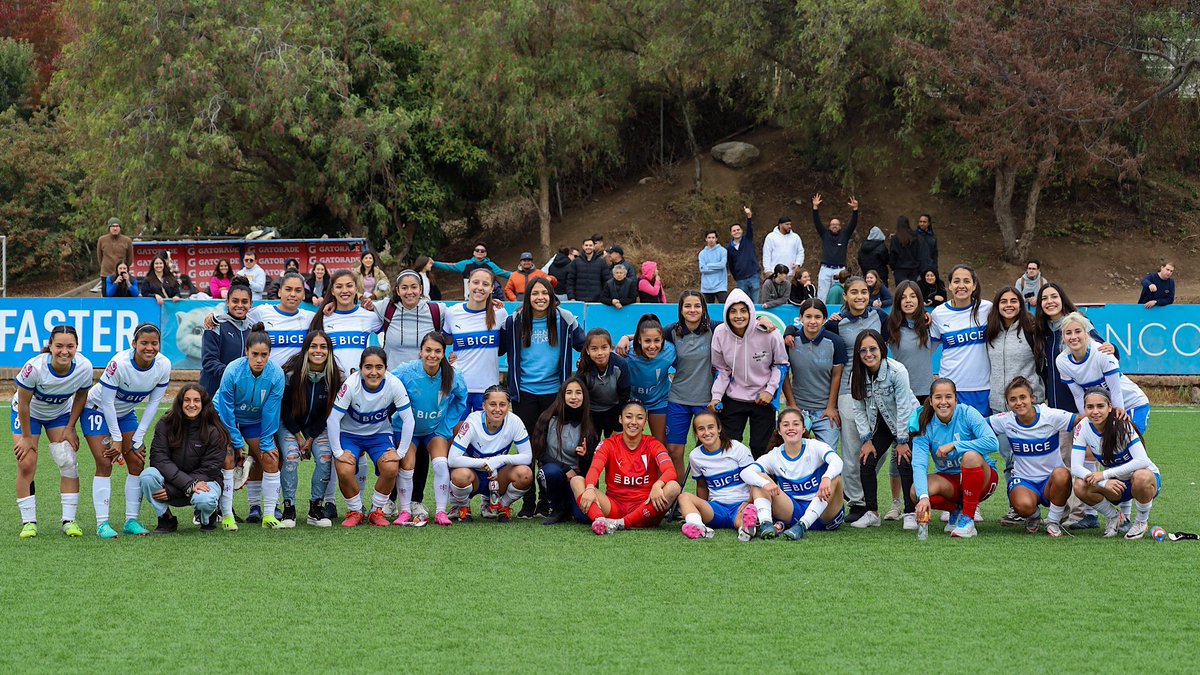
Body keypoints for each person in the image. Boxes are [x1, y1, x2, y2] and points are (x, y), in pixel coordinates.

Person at [500, 277, 586, 517]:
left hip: (554, 394)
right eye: (534, 293)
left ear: (551, 296)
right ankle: (527, 502)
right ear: (527, 297)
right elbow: (495, 348)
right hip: (524, 393)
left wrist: (625, 340)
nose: (540, 298)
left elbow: (586, 344)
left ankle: (546, 501)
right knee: (527, 447)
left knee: (550, 447)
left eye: (544, 293)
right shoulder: (515, 320)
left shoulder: (565, 319)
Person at [806, 276, 888, 524]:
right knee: (853, 449)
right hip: (848, 392)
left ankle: (867, 487)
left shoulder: (880, 317)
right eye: (854, 292)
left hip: (880, 390)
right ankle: (858, 501)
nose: (859, 297)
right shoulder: (835, 324)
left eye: (864, 292)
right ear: (845, 295)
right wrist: (788, 331)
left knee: (880, 447)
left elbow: (904, 326)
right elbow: (808, 332)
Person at [82, 323, 172, 539]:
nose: (149, 348)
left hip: (125, 413)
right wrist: (117, 438)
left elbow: (153, 404)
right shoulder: (119, 363)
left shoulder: (164, 365)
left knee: (137, 462)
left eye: (154, 343)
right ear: (134, 344)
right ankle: (102, 524)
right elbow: (107, 402)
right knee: (105, 462)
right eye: (144, 343)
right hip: (98, 410)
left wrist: (138, 438)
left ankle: (131, 520)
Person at [11, 326, 93, 539]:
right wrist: (28, 438)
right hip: (29, 413)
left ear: (76, 347)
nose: (64, 351)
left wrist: (70, 427)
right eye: (59, 346)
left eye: (70, 346)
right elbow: (23, 404)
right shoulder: (35, 368)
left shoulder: (84, 367)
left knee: (68, 460)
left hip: (59, 414)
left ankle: (69, 520)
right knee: (26, 462)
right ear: (50, 346)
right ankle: (29, 522)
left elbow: (82, 396)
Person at [326, 348, 414, 527]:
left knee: (390, 467)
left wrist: (401, 452)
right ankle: (356, 511)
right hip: (349, 435)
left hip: (379, 435)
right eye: (368, 367)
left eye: (379, 367)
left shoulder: (394, 384)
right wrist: (338, 452)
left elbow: (409, 420)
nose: (373, 372)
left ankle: (376, 511)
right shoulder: (351, 384)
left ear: (386, 369)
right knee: (343, 470)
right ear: (360, 369)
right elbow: (333, 419)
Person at [215, 324, 286, 530]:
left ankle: (269, 515)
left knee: (271, 458)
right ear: (246, 352)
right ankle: (227, 515)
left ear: (269, 354)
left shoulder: (276, 375)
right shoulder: (233, 370)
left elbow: (271, 412)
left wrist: (265, 443)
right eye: (255, 354)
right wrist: (237, 442)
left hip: (254, 419)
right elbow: (227, 409)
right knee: (228, 457)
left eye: (264, 355)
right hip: (225, 417)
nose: (259, 359)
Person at [571, 402, 681, 535]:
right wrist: (589, 488)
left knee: (673, 487)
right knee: (576, 481)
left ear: (645, 422)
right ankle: (600, 521)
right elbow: (595, 468)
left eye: (639, 418)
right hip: (614, 507)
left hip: (646, 509)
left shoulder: (653, 444)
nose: (633, 422)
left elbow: (670, 471)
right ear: (620, 419)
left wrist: (658, 484)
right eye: (629, 417)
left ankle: (623, 523)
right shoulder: (608, 444)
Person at [987, 377, 1078, 537]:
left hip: (1051, 482)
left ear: (1032, 398)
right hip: (1024, 480)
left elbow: (1080, 420)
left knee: (1062, 474)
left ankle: (1053, 522)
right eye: (1013, 399)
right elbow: (977, 425)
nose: (1019, 403)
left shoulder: (1049, 415)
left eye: (1023, 397)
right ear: (1008, 404)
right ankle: (1033, 516)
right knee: (1022, 506)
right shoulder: (1006, 420)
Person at [394, 332, 468, 526]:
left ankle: (441, 512)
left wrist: (446, 424)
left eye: (437, 351)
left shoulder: (453, 375)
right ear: (420, 351)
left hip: (435, 429)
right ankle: (404, 511)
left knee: (441, 463)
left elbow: (461, 399)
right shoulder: (406, 371)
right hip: (407, 430)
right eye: (428, 350)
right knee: (407, 465)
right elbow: (386, 385)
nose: (432, 355)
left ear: (444, 353)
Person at [848, 329, 920, 529]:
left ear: (882, 349)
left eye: (873, 349)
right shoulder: (857, 374)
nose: (868, 354)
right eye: (863, 351)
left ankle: (910, 512)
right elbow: (859, 408)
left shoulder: (897, 371)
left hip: (908, 422)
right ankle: (872, 512)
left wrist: (903, 441)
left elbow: (904, 407)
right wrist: (867, 440)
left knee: (904, 460)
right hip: (883, 422)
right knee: (867, 459)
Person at [911, 378, 1000, 539]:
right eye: (938, 397)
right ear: (930, 401)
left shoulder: (967, 413)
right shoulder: (924, 423)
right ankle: (956, 510)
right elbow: (919, 464)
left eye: (948, 397)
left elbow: (993, 443)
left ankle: (968, 519)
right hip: (951, 482)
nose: (943, 402)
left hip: (983, 479)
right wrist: (923, 498)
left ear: (956, 399)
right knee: (915, 491)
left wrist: (955, 445)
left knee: (970, 456)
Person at [1070, 388, 1160, 540]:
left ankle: (1141, 522)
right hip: (1116, 484)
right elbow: (1075, 467)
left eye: (1100, 406)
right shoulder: (1083, 426)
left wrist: (1105, 474)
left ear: (1109, 407)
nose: (1095, 411)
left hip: (1143, 482)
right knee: (1079, 486)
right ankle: (1115, 518)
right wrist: (1104, 483)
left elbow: (1142, 460)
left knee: (1141, 476)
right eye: (1090, 407)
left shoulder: (1122, 424)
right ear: (1084, 408)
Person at [743, 408, 845, 540]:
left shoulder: (814, 446)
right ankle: (766, 524)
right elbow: (746, 473)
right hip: (793, 512)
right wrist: (765, 483)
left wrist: (826, 477)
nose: (791, 428)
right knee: (758, 479)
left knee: (834, 478)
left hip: (825, 514)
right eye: (786, 425)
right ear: (779, 431)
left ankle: (803, 526)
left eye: (796, 424)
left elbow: (837, 461)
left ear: (803, 429)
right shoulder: (775, 455)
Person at [710, 289, 788, 458]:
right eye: (733, 311)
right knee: (729, 448)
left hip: (762, 399)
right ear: (726, 313)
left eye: (743, 311)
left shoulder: (770, 333)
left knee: (761, 448)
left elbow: (781, 365)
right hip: (733, 398)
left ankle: (765, 484)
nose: (739, 316)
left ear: (751, 312)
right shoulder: (720, 333)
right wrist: (716, 396)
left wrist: (769, 391)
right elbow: (721, 369)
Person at [141, 384, 227, 533]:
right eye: (187, 400)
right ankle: (165, 519)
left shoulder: (214, 429)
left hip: (204, 483)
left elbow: (210, 469)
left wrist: (179, 489)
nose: (191, 405)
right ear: (180, 403)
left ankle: (208, 518)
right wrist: (187, 484)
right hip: (179, 483)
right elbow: (159, 459)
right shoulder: (166, 423)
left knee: (205, 500)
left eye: (196, 400)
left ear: (204, 403)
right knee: (148, 476)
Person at [885, 281, 936, 520]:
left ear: (919, 299)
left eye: (912, 296)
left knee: (921, 449)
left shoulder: (928, 326)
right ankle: (897, 503)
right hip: (900, 396)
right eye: (903, 297)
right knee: (900, 449)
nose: (908, 300)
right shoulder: (891, 327)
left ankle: (920, 498)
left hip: (926, 396)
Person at [280, 331, 342, 528]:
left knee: (325, 457)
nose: (318, 351)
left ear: (329, 351)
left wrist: (311, 437)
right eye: (313, 346)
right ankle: (288, 508)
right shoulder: (290, 374)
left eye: (323, 347)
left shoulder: (335, 377)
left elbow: (328, 413)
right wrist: (298, 437)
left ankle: (316, 508)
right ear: (306, 349)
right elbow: (284, 410)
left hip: (316, 428)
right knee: (291, 457)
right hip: (290, 426)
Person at [447, 385, 534, 522]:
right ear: (483, 405)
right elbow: (452, 459)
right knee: (460, 475)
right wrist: (484, 463)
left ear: (508, 406)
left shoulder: (515, 421)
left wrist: (500, 460)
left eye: (503, 404)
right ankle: (463, 506)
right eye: (492, 404)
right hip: (473, 476)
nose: (498, 409)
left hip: (498, 478)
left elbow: (527, 456)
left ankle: (501, 506)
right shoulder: (473, 421)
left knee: (525, 474)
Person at [1056, 312, 1151, 433]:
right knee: (1103, 449)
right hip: (1105, 409)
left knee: (1126, 444)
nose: (1073, 336)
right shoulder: (1062, 361)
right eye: (1068, 333)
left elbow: (1115, 391)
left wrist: (1118, 421)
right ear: (1063, 338)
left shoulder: (1101, 352)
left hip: (1132, 404)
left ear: (1085, 334)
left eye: (1078, 331)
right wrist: (1087, 420)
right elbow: (1079, 396)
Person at [677, 412, 758, 540]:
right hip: (717, 508)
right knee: (683, 497)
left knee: (741, 520)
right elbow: (702, 486)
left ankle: (746, 529)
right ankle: (698, 526)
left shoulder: (737, 448)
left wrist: (750, 502)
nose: (706, 432)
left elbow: (754, 480)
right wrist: (697, 511)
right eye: (701, 429)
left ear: (719, 428)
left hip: (740, 505)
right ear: (696, 433)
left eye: (710, 427)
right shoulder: (695, 456)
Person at [781, 299, 846, 453]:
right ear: (801, 318)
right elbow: (784, 375)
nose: (812, 321)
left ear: (824, 319)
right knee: (793, 457)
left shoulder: (835, 342)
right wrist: (792, 405)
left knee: (827, 457)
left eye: (817, 317)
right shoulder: (790, 341)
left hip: (825, 412)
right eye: (808, 316)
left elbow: (837, 376)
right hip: (798, 409)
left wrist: (831, 407)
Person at [531, 377, 598, 525]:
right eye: (569, 393)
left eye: (578, 393)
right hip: (554, 472)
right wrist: (565, 469)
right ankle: (557, 508)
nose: (574, 397)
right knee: (552, 472)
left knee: (583, 518)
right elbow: (539, 453)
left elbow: (594, 466)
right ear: (562, 395)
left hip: (577, 480)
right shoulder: (548, 418)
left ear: (584, 397)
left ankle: (570, 506)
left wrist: (586, 456)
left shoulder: (590, 422)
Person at [441, 267, 508, 412]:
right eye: (476, 282)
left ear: (491, 289)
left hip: (488, 388)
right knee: (457, 433)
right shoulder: (452, 312)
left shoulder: (500, 313)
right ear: (468, 285)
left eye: (485, 284)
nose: (480, 287)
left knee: (485, 433)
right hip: (459, 387)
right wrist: (450, 360)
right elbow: (446, 341)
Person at [930, 264, 992, 416]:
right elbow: (927, 350)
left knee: (983, 436)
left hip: (983, 388)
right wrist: (930, 375)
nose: (961, 286)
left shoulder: (987, 309)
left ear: (974, 285)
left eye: (966, 281)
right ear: (950, 286)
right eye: (956, 281)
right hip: (952, 390)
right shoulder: (939, 313)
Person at [309, 269, 384, 377]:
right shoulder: (323, 318)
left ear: (356, 289)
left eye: (349, 286)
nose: (345, 290)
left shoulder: (369, 316)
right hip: (331, 382)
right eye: (339, 287)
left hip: (360, 383)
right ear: (332, 291)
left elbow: (391, 324)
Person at [374, 270, 444, 367]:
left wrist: (458, 355)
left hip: (425, 379)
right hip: (392, 378)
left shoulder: (438, 311)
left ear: (421, 289)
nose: (409, 292)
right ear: (398, 291)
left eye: (414, 287)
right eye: (404, 288)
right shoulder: (385, 308)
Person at [626, 314, 677, 446]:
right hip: (633, 400)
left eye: (657, 341)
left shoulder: (670, 351)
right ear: (639, 340)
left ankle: (659, 467)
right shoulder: (626, 351)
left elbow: (686, 369)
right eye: (647, 341)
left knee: (660, 444)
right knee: (630, 444)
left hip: (660, 400)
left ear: (662, 340)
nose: (652, 346)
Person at [200, 283, 253, 408]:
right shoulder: (215, 325)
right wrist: (234, 374)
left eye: (244, 301)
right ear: (227, 302)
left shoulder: (252, 329)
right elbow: (209, 361)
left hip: (239, 395)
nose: (240, 305)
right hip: (212, 392)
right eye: (235, 301)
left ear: (251, 303)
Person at [575, 329, 630, 438]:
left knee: (614, 448)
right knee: (590, 448)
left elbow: (624, 396)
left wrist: (618, 426)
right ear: (587, 350)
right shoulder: (584, 368)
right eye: (594, 349)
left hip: (614, 410)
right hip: (591, 413)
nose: (600, 353)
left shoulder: (620, 365)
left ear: (610, 347)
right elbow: (579, 395)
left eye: (604, 348)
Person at [811, 193, 859, 300]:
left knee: (838, 295)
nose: (834, 226)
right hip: (825, 269)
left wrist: (855, 210)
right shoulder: (825, 234)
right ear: (829, 226)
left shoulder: (844, 235)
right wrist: (815, 208)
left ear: (840, 226)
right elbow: (817, 222)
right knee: (822, 296)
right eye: (832, 224)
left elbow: (852, 224)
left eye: (836, 224)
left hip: (840, 270)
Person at [433, 241, 511, 297]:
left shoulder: (490, 265)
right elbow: (450, 266)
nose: (479, 252)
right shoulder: (465, 264)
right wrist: (434, 263)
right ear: (473, 253)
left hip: (487, 299)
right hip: (469, 298)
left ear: (485, 254)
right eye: (477, 250)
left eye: (482, 251)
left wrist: (520, 274)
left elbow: (503, 273)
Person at [728, 206, 761, 301]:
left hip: (753, 275)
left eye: (738, 230)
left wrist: (749, 217)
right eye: (734, 231)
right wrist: (737, 276)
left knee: (755, 302)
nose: (736, 232)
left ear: (742, 231)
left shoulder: (747, 239)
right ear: (731, 233)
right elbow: (731, 265)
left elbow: (750, 228)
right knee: (743, 302)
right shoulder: (729, 248)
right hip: (740, 279)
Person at [96, 217, 133, 294]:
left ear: (120, 228)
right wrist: (105, 266)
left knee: (122, 298)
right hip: (106, 274)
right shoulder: (102, 240)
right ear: (109, 228)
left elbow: (129, 258)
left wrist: (123, 269)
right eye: (113, 226)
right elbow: (100, 257)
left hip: (121, 275)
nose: (115, 228)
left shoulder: (127, 240)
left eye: (117, 226)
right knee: (106, 298)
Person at [762, 215, 805, 282]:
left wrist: (798, 264)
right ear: (780, 225)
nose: (789, 226)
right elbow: (767, 254)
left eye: (790, 224)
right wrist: (767, 270)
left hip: (791, 274)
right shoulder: (771, 237)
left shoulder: (795, 237)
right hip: (776, 274)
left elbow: (800, 252)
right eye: (787, 224)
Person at [566, 238, 607, 303]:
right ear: (583, 246)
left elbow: (606, 281)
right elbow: (570, 281)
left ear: (594, 247)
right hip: (578, 300)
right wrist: (571, 297)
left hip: (597, 300)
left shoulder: (601, 262)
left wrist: (603, 297)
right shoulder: (575, 262)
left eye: (590, 245)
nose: (588, 247)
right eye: (586, 245)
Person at [699, 230, 729, 303]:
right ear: (706, 239)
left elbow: (722, 265)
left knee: (724, 307)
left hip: (721, 286)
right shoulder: (702, 253)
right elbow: (702, 269)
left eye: (713, 237)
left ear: (716, 239)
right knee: (707, 310)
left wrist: (708, 265)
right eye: (709, 237)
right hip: (706, 287)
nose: (711, 239)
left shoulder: (723, 251)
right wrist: (716, 267)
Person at [889, 216, 921, 285]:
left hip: (900, 269)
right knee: (912, 290)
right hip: (913, 269)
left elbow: (893, 255)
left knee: (901, 292)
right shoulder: (915, 237)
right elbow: (918, 253)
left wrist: (892, 268)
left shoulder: (895, 239)